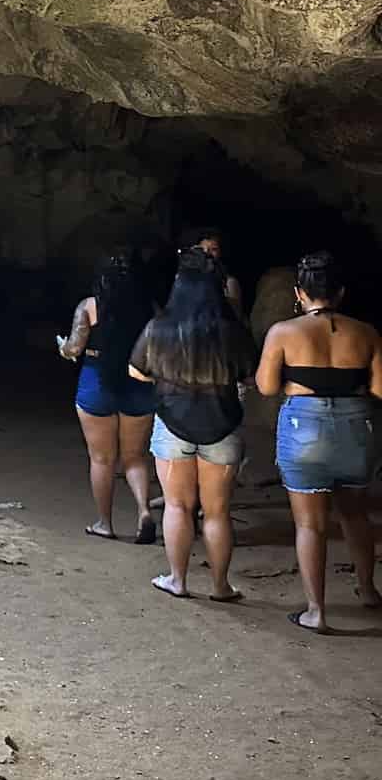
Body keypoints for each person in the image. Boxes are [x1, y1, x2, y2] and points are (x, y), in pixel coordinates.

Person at [254, 251, 382, 633]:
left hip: (303, 425)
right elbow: (379, 388)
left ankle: (317, 612)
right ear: (340, 292)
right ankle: (368, 590)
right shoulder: (367, 332)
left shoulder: (283, 332)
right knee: (355, 514)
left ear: (299, 293)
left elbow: (266, 387)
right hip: (356, 426)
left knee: (310, 525)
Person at [128, 249, 255, 600]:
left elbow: (136, 369)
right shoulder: (232, 330)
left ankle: (178, 580)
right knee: (217, 512)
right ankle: (220, 586)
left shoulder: (160, 326)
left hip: (173, 424)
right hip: (222, 425)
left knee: (177, 506)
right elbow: (251, 375)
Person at [61, 251, 158, 543]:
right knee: (135, 458)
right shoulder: (150, 308)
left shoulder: (89, 307)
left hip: (97, 382)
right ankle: (143, 511)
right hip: (139, 384)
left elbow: (75, 348)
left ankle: (105, 523)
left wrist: (63, 348)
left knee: (102, 459)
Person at [186, 228, 246, 320]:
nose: (207, 253)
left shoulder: (229, 282)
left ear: (221, 253)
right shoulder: (191, 279)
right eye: (202, 249)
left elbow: (234, 316)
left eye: (213, 249)